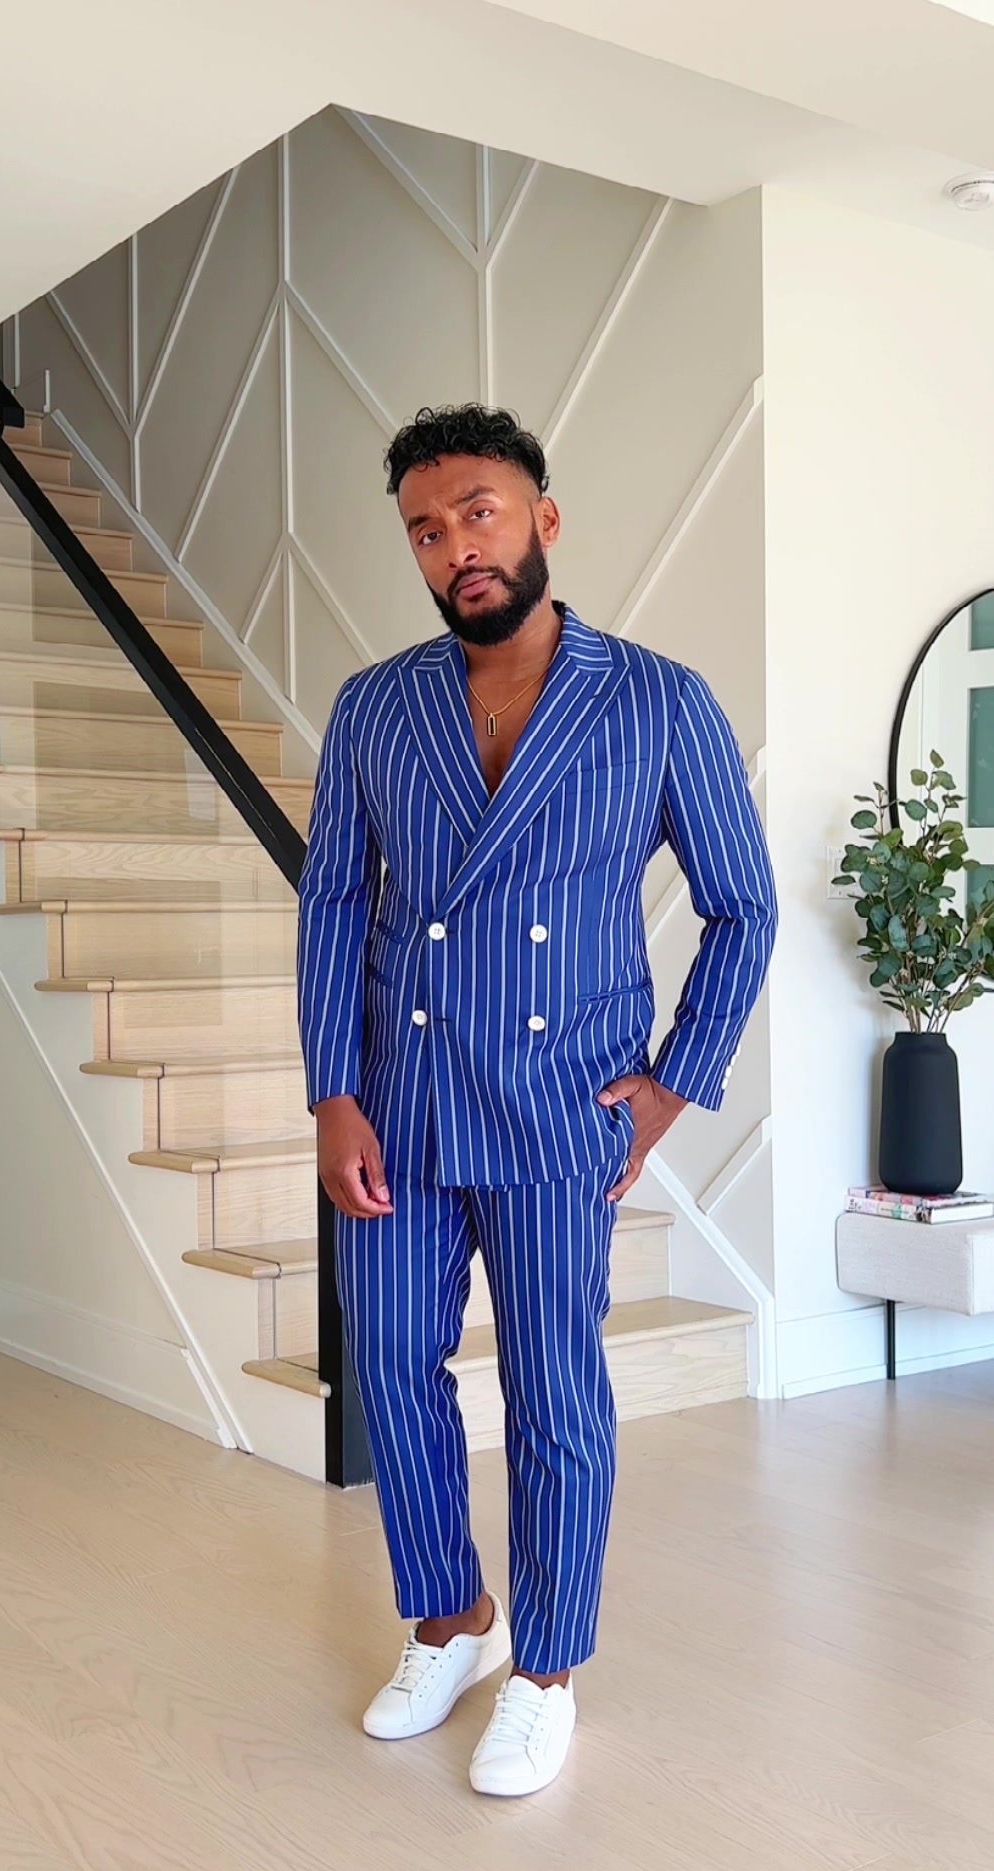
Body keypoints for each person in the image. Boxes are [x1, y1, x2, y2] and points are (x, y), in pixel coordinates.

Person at [297, 404, 776, 1797]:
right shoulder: (374, 706)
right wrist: (333, 1090)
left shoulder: (659, 701)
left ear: (543, 521)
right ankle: (452, 1624)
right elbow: (334, 906)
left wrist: (671, 1088)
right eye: (426, 531)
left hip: (563, 1109)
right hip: (399, 1101)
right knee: (392, 1368)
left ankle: (548, 1668)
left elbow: (743, 908)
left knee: (554, 1388)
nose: (456, 547)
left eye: (479, 513)